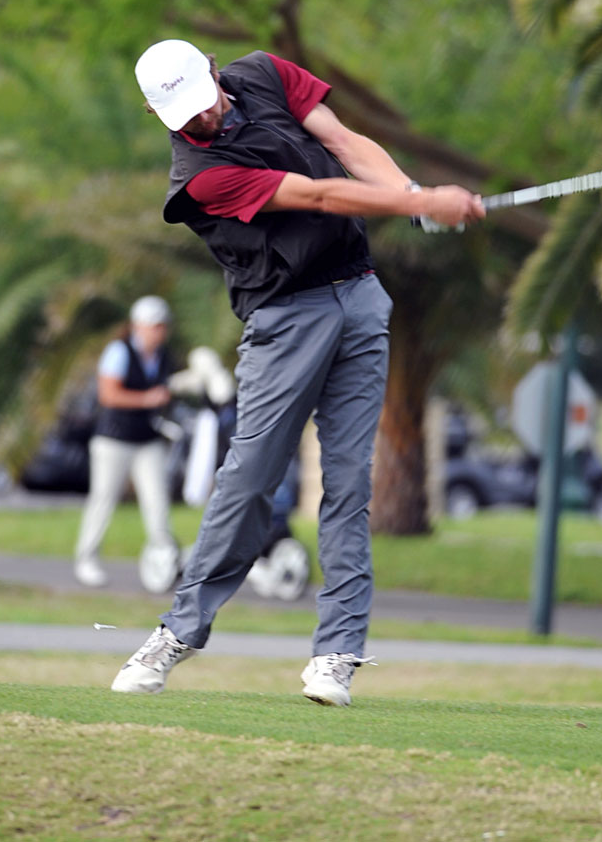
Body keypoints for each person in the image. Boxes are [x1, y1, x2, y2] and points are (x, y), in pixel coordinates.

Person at [111, 39, 484, 706]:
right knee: (250, 478)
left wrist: (416, 194)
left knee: (347, 483)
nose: (201, 122)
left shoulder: (264, 74)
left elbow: (343, 141)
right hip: (287, 319)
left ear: (216, 73)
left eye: (203, 104)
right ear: (156, 112)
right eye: (182, 117)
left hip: (360, 297)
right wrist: (416, 204)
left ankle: (336, 654)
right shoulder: (197, 177)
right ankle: (178, 634)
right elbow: (313, 196)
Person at [74, 295, 180, 592]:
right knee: (103, 499)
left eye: (162, 327)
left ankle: (163, 561)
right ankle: (87, 559)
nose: (158, 332)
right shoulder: (118, 352)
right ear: (138, 326)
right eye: (153, 326)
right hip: (114, 440)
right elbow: (109, 395)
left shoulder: (164, 356)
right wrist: (147, 399)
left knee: (157, 502)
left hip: (148, 439)